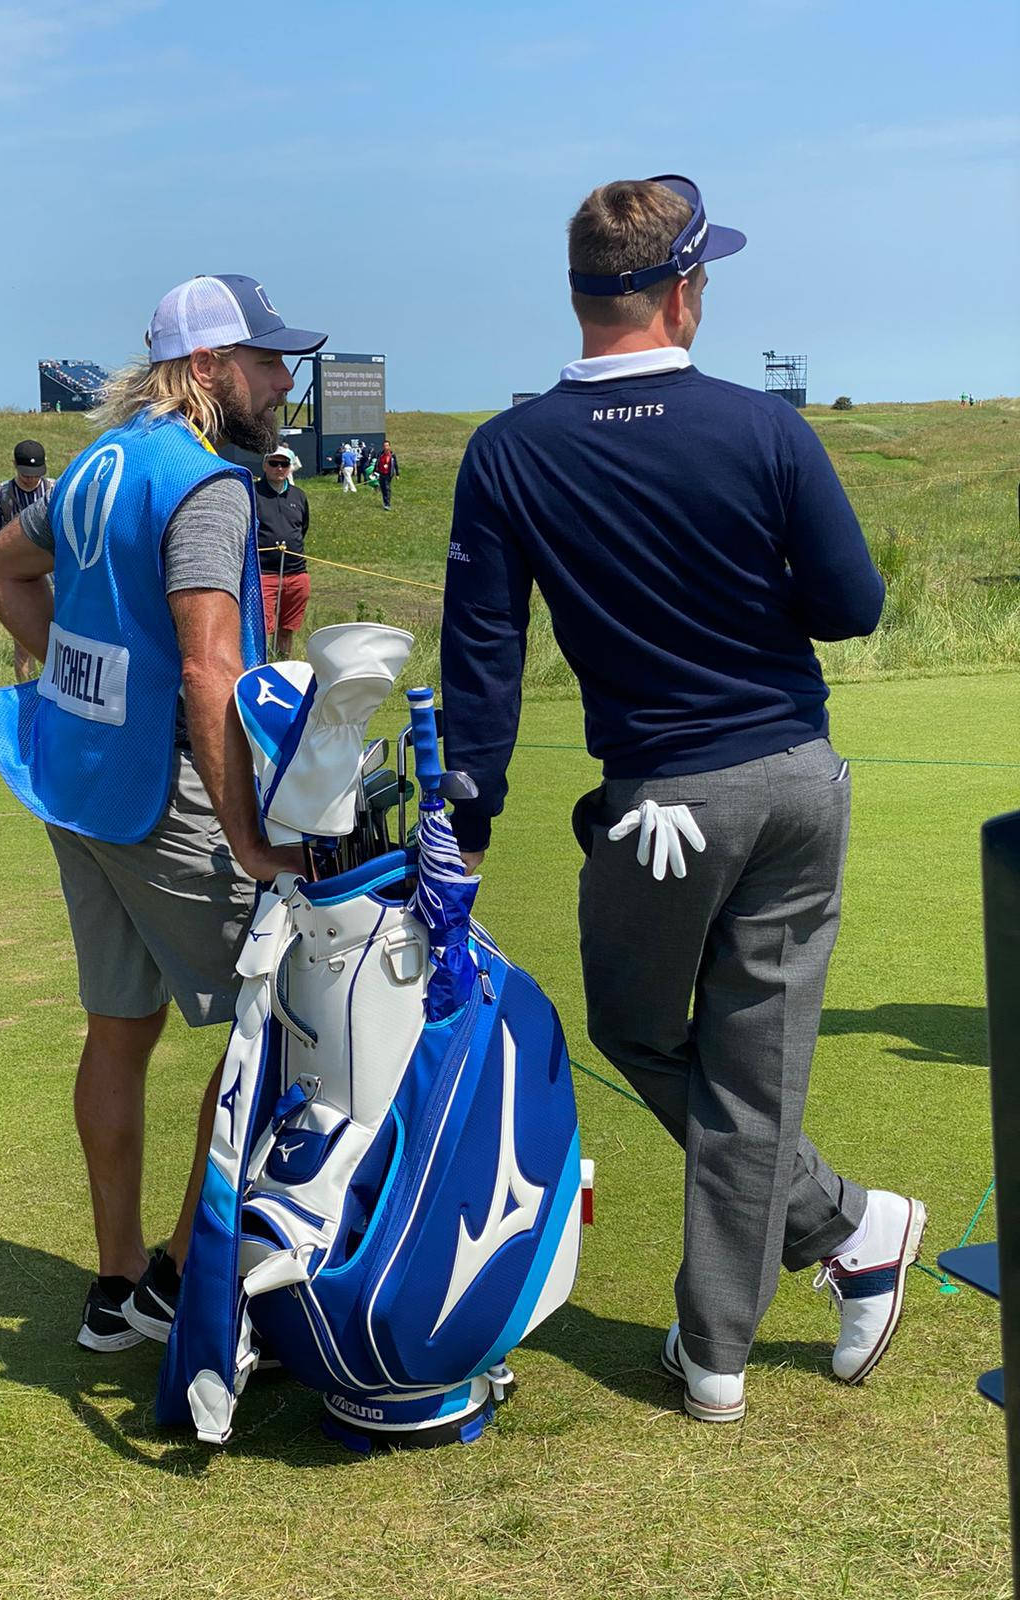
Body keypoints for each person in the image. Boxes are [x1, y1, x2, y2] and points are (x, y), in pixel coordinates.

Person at [439, 174, 925, 1425]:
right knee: (748, 1069)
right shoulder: (764, 429)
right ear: (683, 288)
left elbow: (485, 657)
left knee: (642, 1029)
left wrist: (467, 823)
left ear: (581, 292)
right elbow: (853, 607)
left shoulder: (510, 451)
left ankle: (760, 1313)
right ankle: (823, 1252)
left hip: (661, 801)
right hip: (794, 779)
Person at [0, 274, 326, 1352]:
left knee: (120, 1029)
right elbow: (212, 671)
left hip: (76, 778)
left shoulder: (99, 460)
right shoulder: (206, 482)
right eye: (266, 359)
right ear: (208, 367)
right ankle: (177, 1278)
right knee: (281, 1019)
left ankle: (116, 1282)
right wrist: (249, 837)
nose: (284, 379)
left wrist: (88, 681)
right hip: (162, 793)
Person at [0, 440, 56, 681]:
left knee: (62, 637)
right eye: (25, 474)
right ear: (14, 465)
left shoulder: (55, 490)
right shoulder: (1, 497)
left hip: (56, 576)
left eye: (36, 474)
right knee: (24, 644)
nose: (31, 479)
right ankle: (28, 689)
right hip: (20, 579)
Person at [256, 445, 311, 658]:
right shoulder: (253, 493)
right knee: (261, 628)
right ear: (265, 465)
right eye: (274, 463)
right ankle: (259, 667)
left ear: (290, 467)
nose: (279, 468)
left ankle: (282, 664)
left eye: (284, 464)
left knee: (287, 627)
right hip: (264, 573)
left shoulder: (299, 496)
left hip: (296, 573)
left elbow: (303, 528)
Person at [376, 439, 399, 509]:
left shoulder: (392, 455)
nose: (385, 447)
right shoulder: (380, 454)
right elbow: (377, 463)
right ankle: (385, 502)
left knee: (387, 488)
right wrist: (375, 471)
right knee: (383, 488)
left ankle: (388, 504)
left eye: (387, 446)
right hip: (381, 473)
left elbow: (395, 465)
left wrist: (397, 474)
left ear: (389, 446)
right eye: (384, 446)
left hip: (388, 474)